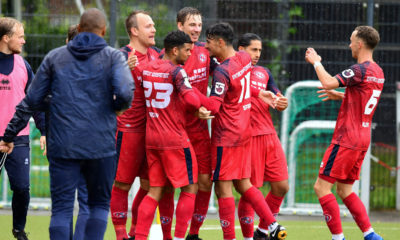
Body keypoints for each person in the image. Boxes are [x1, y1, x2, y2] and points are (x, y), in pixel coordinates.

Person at [0, 8, 134, 240]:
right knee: (97, 205)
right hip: (100, 145)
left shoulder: (55, 57)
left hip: (63, 144)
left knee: (61, 208)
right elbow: (124, 93)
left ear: (79, 29)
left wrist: (9, 135)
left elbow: (31, 101)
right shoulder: (114, 57)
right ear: (103, 31)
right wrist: (115, 107)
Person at [194, 23, 287, 240]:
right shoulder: (243, 60)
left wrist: (190, 93)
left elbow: (215, 106)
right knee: (244, 184)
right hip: (244, 133)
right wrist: (258, 94)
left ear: (220, 42)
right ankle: (272, 224)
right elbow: (241, 84)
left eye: (208, 42)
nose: (206, 47)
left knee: (223, 190)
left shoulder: (221, 72)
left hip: (225, 135)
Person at [305, 26, 384, 240]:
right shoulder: (378, 72)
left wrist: (316, 62)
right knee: (345, 190)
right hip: (363, 137)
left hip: (346, 137)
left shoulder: (360, 69)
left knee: (321, 187)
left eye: (351, 41)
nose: (349, 45)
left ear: (360, 44)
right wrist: (341, 97)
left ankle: (338, 238)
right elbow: (364, 100)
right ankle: (371, 235)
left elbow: (328, 81)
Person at [134, 30, 204, 240]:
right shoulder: (177, 72)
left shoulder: (146, 68)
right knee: (191, 187)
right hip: (174, 138)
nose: (190, 54)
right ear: (175, 50)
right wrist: (199, 104)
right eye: (187, 50)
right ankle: (180, 237)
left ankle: (139, 236)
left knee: (154, 191)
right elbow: (192, 101)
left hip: (152, 138)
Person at [157, 7, 218, 240]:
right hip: (174, 129)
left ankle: (193, 234)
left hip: (200, 129)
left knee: (205, 181)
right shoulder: (169, 54)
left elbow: (228, 74)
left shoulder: (205, 52)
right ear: (179, 25)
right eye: (192, 24)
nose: (197, 29)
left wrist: (266, 90)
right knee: (169, 185)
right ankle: (166, 235)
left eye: (199, 24)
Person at [109, 10, 160, 240]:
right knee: (122, 185)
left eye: (153, 25)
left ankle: (135, 233)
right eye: (148, 26)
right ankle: (121, 235)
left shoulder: (158, 56)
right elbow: (104, 90)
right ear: (134, 31)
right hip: (128, 131)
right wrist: (123, 72)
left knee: (150, 186)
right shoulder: (120, 56)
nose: (154, 29)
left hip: (153, 133)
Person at [237, 33, 289, 240]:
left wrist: (280, 101)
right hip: (247, 137)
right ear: (241, 49)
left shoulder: (264, 72)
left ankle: (262, 231)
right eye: (253, 49)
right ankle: (249, 237)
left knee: (281, 186)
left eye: (259, 50)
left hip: (269, 135)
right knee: (251, 190)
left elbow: (276, 94)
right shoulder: (230, 71)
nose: (257, 54)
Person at [0, 17, 46, 240]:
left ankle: (18, 230)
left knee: (22, 188)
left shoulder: (24, 66)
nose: (24, 41)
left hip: (18, 139)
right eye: (20, 36)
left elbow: (35, 101)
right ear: (6, 38)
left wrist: (44, 130)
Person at [65, 24, 89, 240]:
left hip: (63, 142)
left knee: (63, 204)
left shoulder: (54, 65)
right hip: (90, 144)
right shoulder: (100, 66)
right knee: (87, 202)